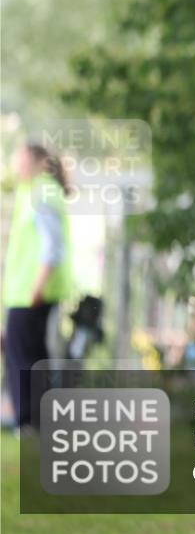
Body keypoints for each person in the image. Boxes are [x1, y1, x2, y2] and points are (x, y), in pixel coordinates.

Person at [2, 142, 72, 431]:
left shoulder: (41, 192)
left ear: (39, 162)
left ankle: (29, 422)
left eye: (20, 160)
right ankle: (39, 420)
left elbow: (52, 246)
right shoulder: (34, 191)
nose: (16, 166)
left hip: (32, 290)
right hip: (28, 289)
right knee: (32, 354)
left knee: (22, 356)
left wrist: (37, 286)